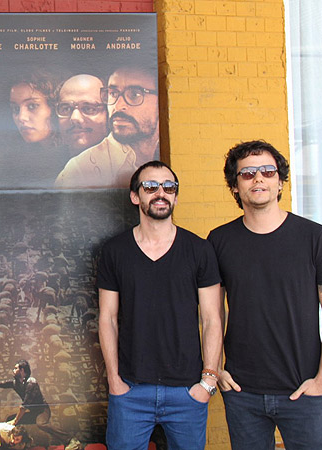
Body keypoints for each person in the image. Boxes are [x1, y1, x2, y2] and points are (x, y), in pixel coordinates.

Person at [207, 140, 322, 449]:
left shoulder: (317, 239)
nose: (259, 179)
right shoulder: (219, 241)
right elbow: (212, 314)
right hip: (242, 392)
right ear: (234, 187)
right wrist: (214, 368)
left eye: (268, 171)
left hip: (303, 389)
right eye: (247, 174)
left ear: (280, 182)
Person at [97, 160, 223, 449]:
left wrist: (208, 382)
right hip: (130, 391)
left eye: (169, 187)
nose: (161, 193)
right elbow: (107, 318)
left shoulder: (199, 249)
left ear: (176, 195)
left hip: (187, 391)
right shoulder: (115, 251)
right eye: (150, 186)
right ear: (135, 196)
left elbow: (213, 319)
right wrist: (116, 382)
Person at [56, 64, 160, 189]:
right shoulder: (79, 170)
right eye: (113, 93)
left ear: (160, 100)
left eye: (134, 95)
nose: (118, 105)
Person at [0, 360, 69, 447]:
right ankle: (3, 442)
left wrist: (15, 421)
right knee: (9, 419)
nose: (13, 370)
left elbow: (24, 406)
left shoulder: (31, 383)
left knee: (41, 423)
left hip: (42, 411)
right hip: (33, 413)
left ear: (22, 370)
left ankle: (69, 439)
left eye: (16, 368)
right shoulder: (15, 383)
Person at [1, 69, 68, 188]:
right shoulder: (14, 162)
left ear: (53, 108)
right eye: (15, 109)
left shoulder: (71, 158)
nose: (21, 117)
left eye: (32, 106)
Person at [56, 74, 109, 159]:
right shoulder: (43, 166)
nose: (74, 118)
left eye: (89, 109)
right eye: (66, 109)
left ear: (108, 113)